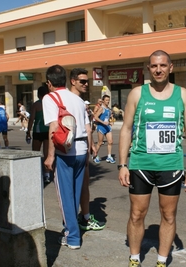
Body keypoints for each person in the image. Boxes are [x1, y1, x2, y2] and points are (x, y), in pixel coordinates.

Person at [118, 50, 186, 267]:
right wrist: (123, 164)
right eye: (154, 66)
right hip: (140, 163)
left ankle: (162, 261)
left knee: (169, 215)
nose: (158, 70)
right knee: (137, 214)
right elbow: (126, 129)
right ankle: (134, 259)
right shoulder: (137, 94)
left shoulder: (182, 95)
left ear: (170, 67)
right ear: (148, 68)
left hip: (171, 165)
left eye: (163, 65)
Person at [42, 64, 91, 249]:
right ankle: (70, 228)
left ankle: (72, 237)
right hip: (81, 149)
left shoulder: (50, 98)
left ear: (49, 83)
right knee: (74, 193)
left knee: (65, 196)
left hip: (65, 151)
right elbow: (87, 128)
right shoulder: (78, 99)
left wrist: (49, 156)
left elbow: (54, 128)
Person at [67, 68, 105, 232]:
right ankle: (80, 220)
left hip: (78, 147)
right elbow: (86, 128)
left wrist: (92, 145)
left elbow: (87, 127)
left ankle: (80, 218)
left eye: (87, 81)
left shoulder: (79, 101)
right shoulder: (72, 101)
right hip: (74, 148)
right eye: (82, 81)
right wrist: (91, 145)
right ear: (73, 81)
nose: (86, 84)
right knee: (77, 186)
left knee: (79, 186)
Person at [26, 85, 51, 183]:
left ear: (38, 94)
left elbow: (31, 119)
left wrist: (28, 131)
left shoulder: (36, 104)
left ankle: (35, 173)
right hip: (47, 130)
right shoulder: (50, 104)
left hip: (38, 130)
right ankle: (47, 174)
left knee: (35, 153)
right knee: (46, 153)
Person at [93, 94, 116, 164]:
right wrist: (103, 122)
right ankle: (95, 156)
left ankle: (109, 156)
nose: (108, 101)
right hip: (101, 127)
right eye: (106, 100)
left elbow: (108, 118)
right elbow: (96, 117)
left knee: (110, 141)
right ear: (103, 101)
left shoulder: (109, 109)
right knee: (100, 143)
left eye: (108, 100)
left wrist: (110, 122)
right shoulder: (101, 108)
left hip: (107, 127)